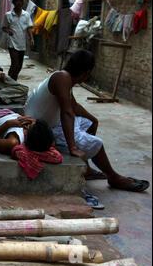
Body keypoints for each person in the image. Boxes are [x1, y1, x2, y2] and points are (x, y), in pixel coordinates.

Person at [24, 49, 149, 193]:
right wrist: (73, 148)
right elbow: (67, 112)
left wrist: (93, 119)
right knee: (96, 143)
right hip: (40, 129)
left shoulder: (64, 77)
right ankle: (113, 177)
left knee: (86, 122)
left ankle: (87, 167)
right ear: (86, 72)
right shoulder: (62, 78)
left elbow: (74, 106)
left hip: (47, 121)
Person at [0, 91, 54, 155]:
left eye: (29, 124)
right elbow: (51, 141)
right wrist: (26, 119)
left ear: (27, 129)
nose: (29, 121)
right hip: (7, 113)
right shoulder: (43, 140)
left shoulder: (13, 142)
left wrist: (7, 124)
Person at [1, 0, 34, 81]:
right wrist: (8, 31)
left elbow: (29, 27)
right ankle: (10, 82)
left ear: (23, 2)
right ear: (13, 2)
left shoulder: (26, 15)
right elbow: (4, 27)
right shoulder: (8, 15)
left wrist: (31, 38)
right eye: (17, 1)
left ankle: (10, 80)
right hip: (12, 43)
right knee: (14, 65)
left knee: (19, 66)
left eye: (20, 1)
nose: (19, 3)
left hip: (22, 43)